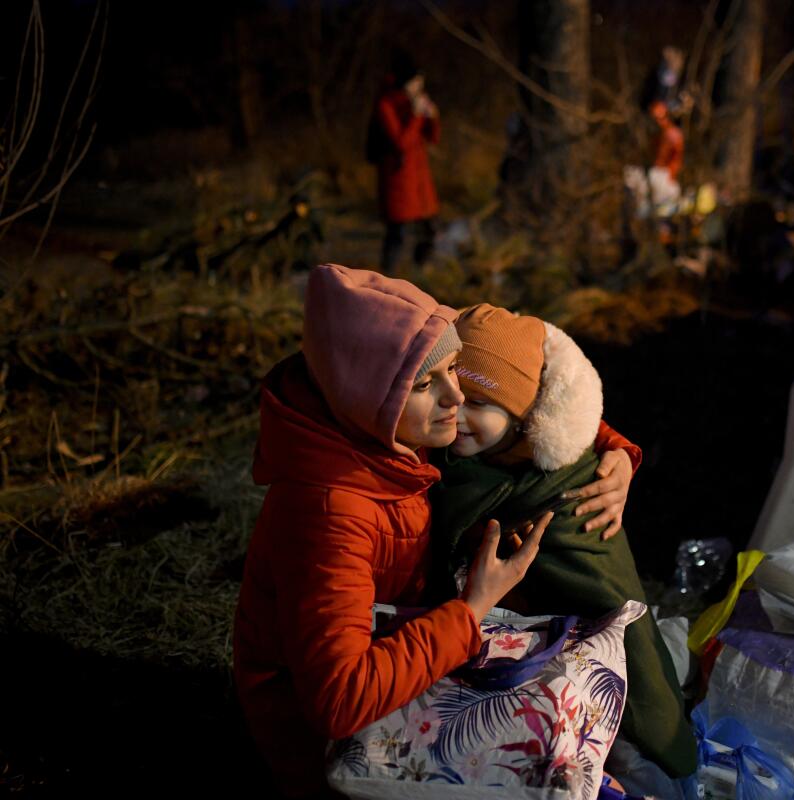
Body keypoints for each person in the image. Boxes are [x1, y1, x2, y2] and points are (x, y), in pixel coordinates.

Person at [233, 265, 638, 797]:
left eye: (456, 371)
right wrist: (472, 607)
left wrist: (615, 450)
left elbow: (522, 382)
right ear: (371, 394)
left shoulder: (386, 429)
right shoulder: (329, 512)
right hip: (334, 756)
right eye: (429, 383)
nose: (456, 397)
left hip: (405, 658)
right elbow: (340, 703)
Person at [428, 303, 698, 791]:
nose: (457, 412)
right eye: (453, 392)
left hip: (581, 659)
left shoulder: (569, 491)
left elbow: (605, 597)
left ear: (524, 414)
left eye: (479, 403)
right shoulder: (472, 451)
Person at [372, 51, 439, 273]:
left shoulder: (414, 102)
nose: (420, 87)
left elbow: (433, 138)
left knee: (429, 229)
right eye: (416, 82)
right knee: (397, 232)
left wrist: (433, 117)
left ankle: (422, 271)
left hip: (419, 179)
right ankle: (386, 278)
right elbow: (401, 141)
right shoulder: (386, 104)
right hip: (398, 180)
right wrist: (416, 115)